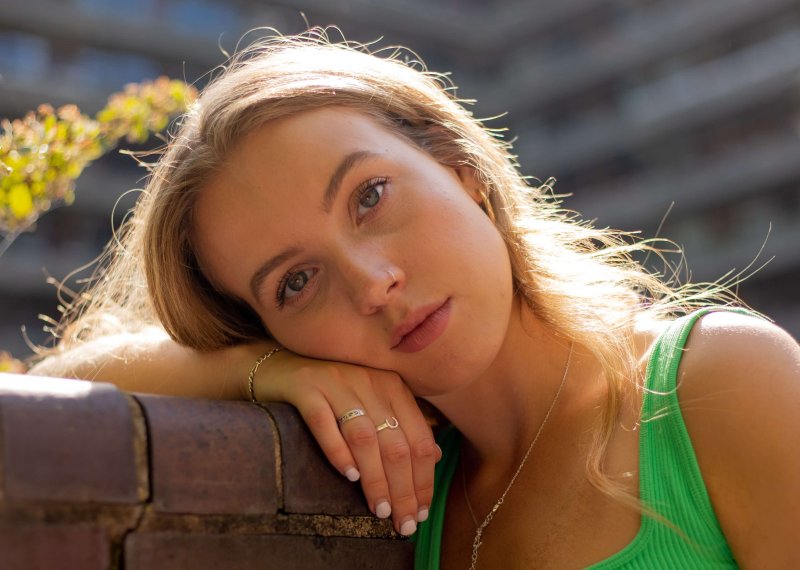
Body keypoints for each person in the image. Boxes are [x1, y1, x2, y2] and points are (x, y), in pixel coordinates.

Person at [29, 29, 799, 568]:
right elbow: (45, 397)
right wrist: (265, 372)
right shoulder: (415, 480)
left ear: (461, 168)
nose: (372, 283)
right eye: (295, 283)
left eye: (369, 196)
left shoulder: (720, 382)